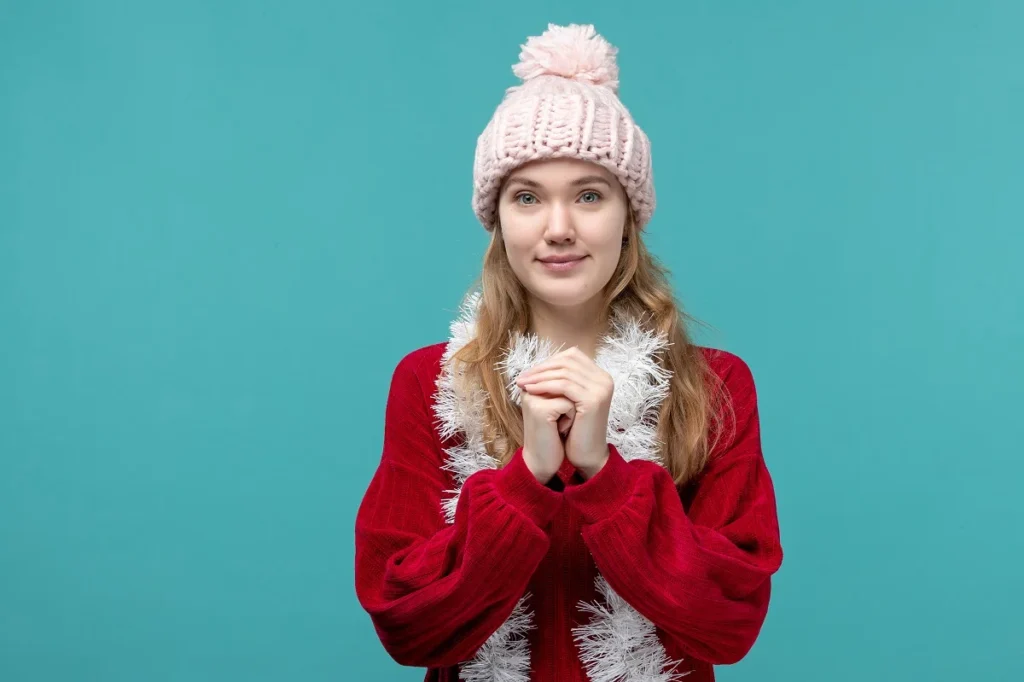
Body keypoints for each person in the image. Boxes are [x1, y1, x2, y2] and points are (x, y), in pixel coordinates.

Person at [354, 23, 783, 682]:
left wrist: (602, 477)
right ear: (498, 221)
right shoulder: (432, 384)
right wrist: (526, 481)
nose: (558, 229)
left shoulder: (714, 385)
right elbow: (409, 624)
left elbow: (728, 622)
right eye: (527, 198)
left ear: (628, 216)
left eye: (589, 194)